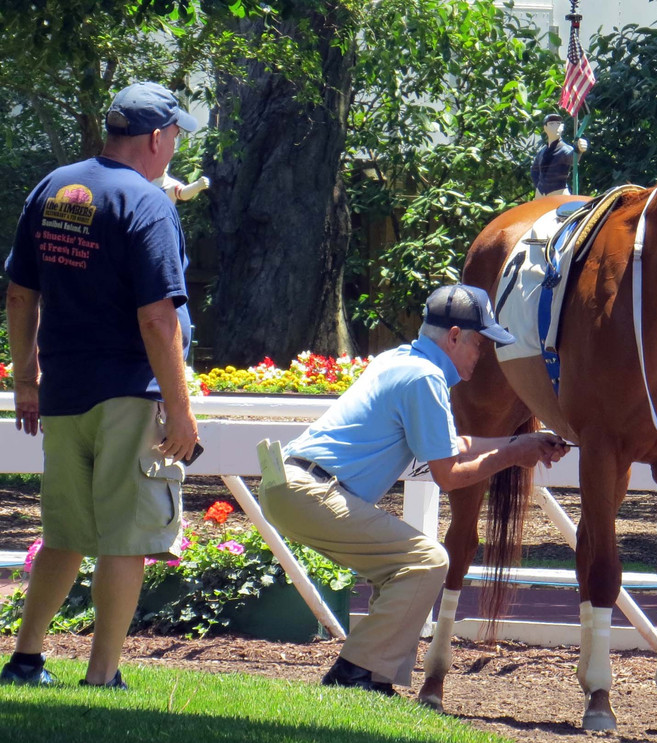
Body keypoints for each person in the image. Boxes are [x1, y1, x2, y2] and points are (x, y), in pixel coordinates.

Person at [257, 283, 570, 696]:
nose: (482, 354)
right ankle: (352, 675)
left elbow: (451, 446)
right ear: (455, 336)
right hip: (312, 490)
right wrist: (513, 454)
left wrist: (519, 443)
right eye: (479, 343)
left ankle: (374, 680)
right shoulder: (425, 378)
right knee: (427, 560)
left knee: (400, 569)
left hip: (291, 483)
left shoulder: (401, 361)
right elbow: (450, 474)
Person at [1, 82, 200, 689]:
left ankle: (27, 659)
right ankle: (102, 676)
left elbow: (19, 292)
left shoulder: (54, 186)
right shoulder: (146, 203)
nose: (173, 148)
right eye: (173, 137)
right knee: (127, 538)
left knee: (65, 532)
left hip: (63, 393)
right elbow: (156, 316)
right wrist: (180, 409)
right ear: (155, 137)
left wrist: (27, 378)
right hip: (128, 393)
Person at [530, 113, 587, 198]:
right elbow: (534, 170)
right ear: (545, 128)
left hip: (559, 193)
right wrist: (539, 186)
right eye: (551, 124)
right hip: (541, 195)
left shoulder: (564, 149)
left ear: (562, 127)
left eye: (558, 124)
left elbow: (573, 159)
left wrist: (579, 149)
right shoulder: (542, 151)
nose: (556, 127)